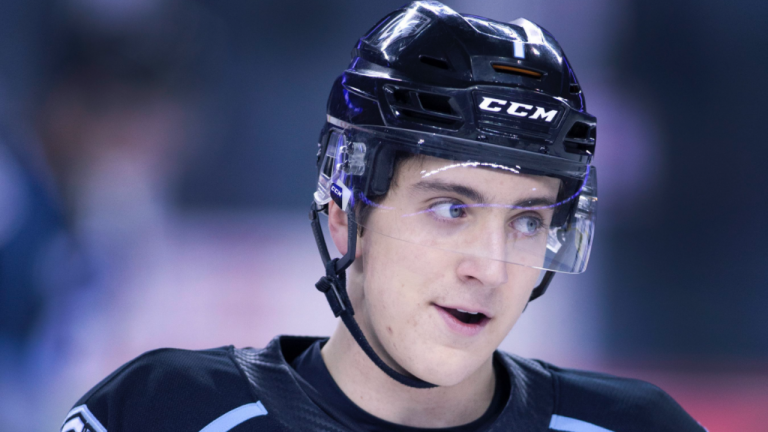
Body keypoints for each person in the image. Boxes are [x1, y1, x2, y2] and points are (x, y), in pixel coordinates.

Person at [61, 2, 706, 431]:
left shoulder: (636, 427)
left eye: (529, 221)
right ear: (345, 213)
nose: (489, 268)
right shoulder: (164, 412)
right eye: (452, 208)